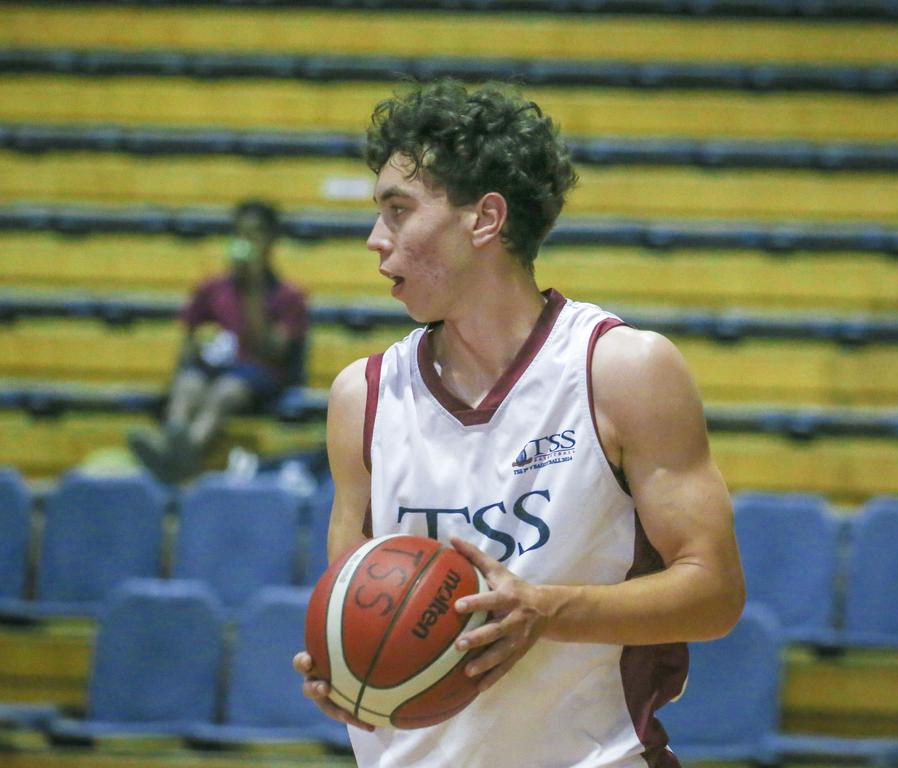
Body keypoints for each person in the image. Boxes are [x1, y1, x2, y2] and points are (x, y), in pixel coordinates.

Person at [293, 80, 745, 768]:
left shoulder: (620, 371)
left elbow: (714, 593)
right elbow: (351, 596)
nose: (373, 238)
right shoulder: (364, 396)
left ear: (484, 220)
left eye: (397, 210)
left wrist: (547, 609)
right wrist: (344, 669)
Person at [130, 200, 308, 483]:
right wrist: (199, 349)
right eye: (240, 234)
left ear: (271, 241)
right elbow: (188, 340)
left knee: (227, 389)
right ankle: (172, 443)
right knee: (188, 383)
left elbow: (275, 351)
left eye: (254, 235)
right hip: (214, 368)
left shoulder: (287, 295)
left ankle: (185, 452)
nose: (245, 241)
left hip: (259, 375)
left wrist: (253, 290)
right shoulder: (211, 289)